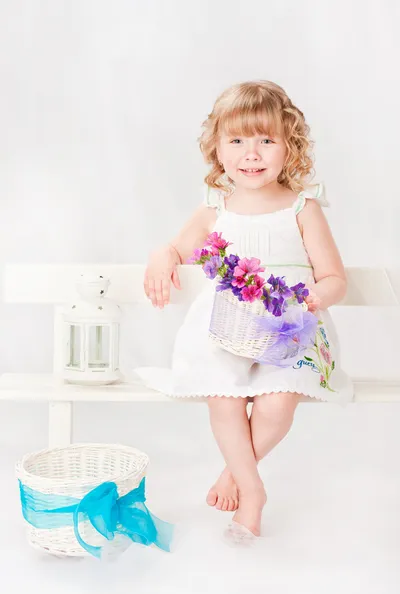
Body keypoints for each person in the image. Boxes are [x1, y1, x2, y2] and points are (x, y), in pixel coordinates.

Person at [135, 80, 354, 544]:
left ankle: (233, 475)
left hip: (289, 327)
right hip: (226, 328)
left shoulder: (302, 207)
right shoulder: (216, 207)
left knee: (277, 404)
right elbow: (178, 248)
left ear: (288, 146)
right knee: (224, 396)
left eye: (266, 140)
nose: (251, 154)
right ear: (217, 148)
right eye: (236, 141)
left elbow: (335, 277)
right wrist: (162, 256)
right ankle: (253, 492)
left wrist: (313, 298)